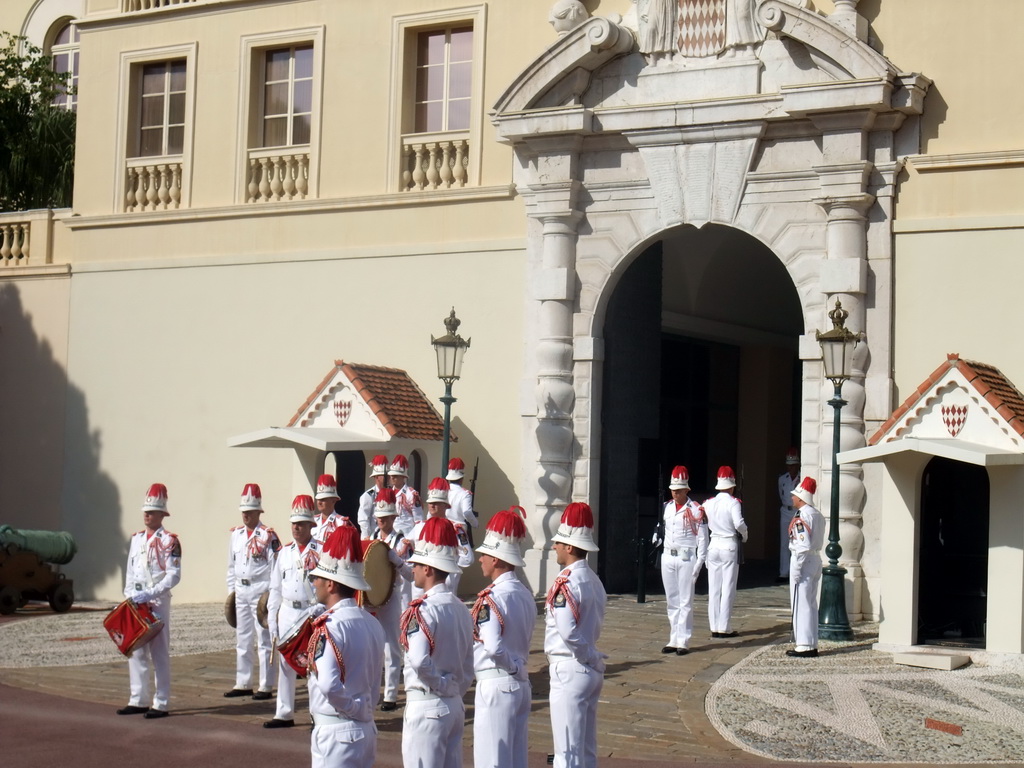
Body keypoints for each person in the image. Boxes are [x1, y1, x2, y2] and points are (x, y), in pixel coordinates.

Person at [307, 524, 385, 768]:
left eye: (318, 577)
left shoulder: (329, 626)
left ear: (331, 584)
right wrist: (363, 710)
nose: (315, 582)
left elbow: (329, 685)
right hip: (365, 728)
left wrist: (352, 708)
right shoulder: (373, 624)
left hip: (336, 730)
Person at [400, 516, 474, 768]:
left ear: (428, 569)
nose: (414, 569)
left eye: (417, 565)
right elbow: (468, 661)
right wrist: (454, 689)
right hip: (453, 704)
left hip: (427, 702)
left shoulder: (422, 609)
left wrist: (440, 684)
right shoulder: (461, 608)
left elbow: (419, 659)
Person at [472, 507, 535, 768]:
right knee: (515, 759)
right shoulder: (524, 593)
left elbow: (493, 646)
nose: (480, 560)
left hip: (498, 681)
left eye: (485, 555)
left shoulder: (493, 596)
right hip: (519, 683)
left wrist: (511, 665)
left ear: (496, 559)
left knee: (492, 760)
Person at [545, 502, 606, 768]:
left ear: (569, 547)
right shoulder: (593, 579)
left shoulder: (567, 581)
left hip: (571, 665)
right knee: (585, 750)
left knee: (567, 752)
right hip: (587, 667)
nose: (554, 546)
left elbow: (567, 629)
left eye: (558, 542)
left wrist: (587, 654)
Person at [117, 483, 181, 719]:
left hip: (157, 602)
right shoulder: (136, 539)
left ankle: (161, 702)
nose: (147, 514)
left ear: (162, 514)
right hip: (136, 600)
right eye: (145, 510)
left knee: (159, 652)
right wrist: (129, 596)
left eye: (152, 511)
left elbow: (174, 575)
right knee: (135, 650)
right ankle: (138, 698)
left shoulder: (170, 541)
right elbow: (130, 571)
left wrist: (151, 593)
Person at [264, 494, 321, 728]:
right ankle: (284, 713)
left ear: (310, 525)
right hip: (288, 612)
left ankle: (316, 713)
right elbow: (275, 587)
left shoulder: (322, 550)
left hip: (311, 613)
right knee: (286, 663)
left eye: (301, 523)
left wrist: (321, 607)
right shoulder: (285, 553)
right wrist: (272, 617)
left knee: (314, 665)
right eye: (294, 523)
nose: (296, 528)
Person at [225, 482, 281, 699]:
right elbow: (231, 566)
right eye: (244, 512)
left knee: (264, 640)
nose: (246, 515)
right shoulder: (236, 535)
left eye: (250, 512)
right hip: (241, 590)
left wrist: (270, 596)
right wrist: (231, 592)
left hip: (260, 592)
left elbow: (274, 568)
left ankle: (266, 685)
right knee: (243, 637)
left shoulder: (269, 536)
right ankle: (243, 682)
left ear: (259, 511)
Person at [367, 486, 414, 712]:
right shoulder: (370, 539)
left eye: (386, 518)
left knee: (392, 648)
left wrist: (397, 560)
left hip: (392, 596)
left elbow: (411, 575)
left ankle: (391, 695)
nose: (381, 522)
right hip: (371, 598)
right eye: (379, 518)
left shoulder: (402, 541)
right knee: (372, 648)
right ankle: (373, 691)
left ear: (394, 518)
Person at [653, 466, 708, 655]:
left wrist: (700, 562)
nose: (675, 493)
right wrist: (656, 536)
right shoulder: (666, 507)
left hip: (686, 557)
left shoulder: (695, 509)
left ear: (686, 490)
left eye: (679, 490)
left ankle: (683, 640)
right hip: (668, 555)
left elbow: (702, 538)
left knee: (685, 601)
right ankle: (673, 638)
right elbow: (661, 526)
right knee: (672, 600)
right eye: (673, 490)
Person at [704, 467, 747, 638]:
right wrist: (745, 536)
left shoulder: (709, 502)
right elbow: (739, 524)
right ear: (732, 486)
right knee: (728, 587)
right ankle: (724, 626)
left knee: (714, 588)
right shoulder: (733, 502)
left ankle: (714, 626)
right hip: (729, 544)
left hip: (713, 545)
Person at [788, 476, 825, 658]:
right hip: (815, 559)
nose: (792, 498)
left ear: (801, 498)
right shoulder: (817, 514)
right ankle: (811, 642)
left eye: (795, 495)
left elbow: (802, 545)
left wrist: (795, 570)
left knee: (801, 603)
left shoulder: (802, 515)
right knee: (810, 603)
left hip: (803, 560)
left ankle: (803, 644)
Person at [777, 448, 801, 583]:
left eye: (793, 465)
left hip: (797, 511)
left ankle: (796, 571)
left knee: (798, 541)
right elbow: (781, 494)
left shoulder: (802, 477)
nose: (790, 468)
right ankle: (784, 573)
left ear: (797, 465)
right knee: (784, 542)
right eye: (788, 465)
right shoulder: (782, 479)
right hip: (785, 510)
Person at [388, 454, 422, 537]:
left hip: (407, 535)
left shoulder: (411, 494)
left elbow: (419, 520)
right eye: (391, 475)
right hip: (391, 535)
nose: (392, 478)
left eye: (395, 476)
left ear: (403, 477)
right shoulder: (388, 492)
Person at [357, 455, 389, 539]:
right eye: (384, 476)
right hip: (373, 536)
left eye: (387, 476)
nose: (387, 478)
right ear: (376, 477)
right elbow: (363, 518)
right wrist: (366, 536)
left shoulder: (391, 493)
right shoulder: (368, 495)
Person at [312, 474, 344, 545]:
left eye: (323, 499)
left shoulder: (341, 523)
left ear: (333, 500)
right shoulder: (311, 521)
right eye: (318, 499)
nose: (319, 502)